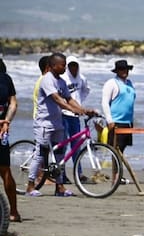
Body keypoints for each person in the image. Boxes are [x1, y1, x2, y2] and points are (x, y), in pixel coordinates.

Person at [26, 53, 96, 197]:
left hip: (57, 123)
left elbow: (69, 99)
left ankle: (59, 187)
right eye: (62, 65)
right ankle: (30, 186)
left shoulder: (61, 82)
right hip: (44, 123)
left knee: (60, 155)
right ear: (52, 66)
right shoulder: (47, 80)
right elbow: (57, 99)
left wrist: (83, 109)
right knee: (40, 154)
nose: (64, 67)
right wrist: (74, 110)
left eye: (65, 65)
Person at [0, 58, 21, 222]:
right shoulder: (6, 79)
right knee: (5, 170)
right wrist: (6, 121)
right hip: (2, 131)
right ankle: (14, 212)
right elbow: (13, 104)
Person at [100, 59, 136, 154]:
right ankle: (116, 169)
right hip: (116, 122)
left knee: (122, 150)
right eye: (121, 69)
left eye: (126, 69)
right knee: (115, 150)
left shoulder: (129, 83)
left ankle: (119, 168)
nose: (124, 71)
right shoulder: (111, 83)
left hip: (128, 123)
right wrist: (109, 120)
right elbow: (105, 102)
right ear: (117, 71)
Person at [60, 56, 90, 150]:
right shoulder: (62, 78)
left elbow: (86, 90)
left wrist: (79, 101)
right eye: (71, 65)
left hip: (75, 114)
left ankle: (77, 165)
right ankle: (60, 163)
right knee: (63, 142)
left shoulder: (82, 78)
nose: (73, 67)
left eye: (75, 65)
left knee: (76, 143)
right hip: (63, 114)